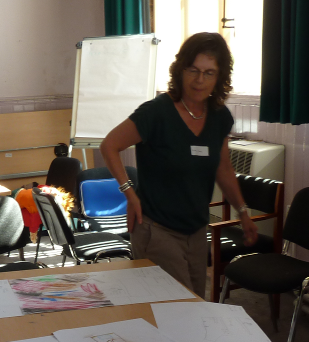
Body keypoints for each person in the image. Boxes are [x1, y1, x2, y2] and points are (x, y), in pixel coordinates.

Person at [99, 32, 258, 298]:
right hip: (157, 229)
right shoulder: (156, 112)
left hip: (196, 231)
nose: (199, 80)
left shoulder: (219, 117)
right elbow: (109, 146)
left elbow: (223, 168)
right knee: (173, 310)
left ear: (219, 77)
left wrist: (243, 212)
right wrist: (130, 193)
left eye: (209, 72)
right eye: (193, 70)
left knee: (195, 307)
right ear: (180, 69)